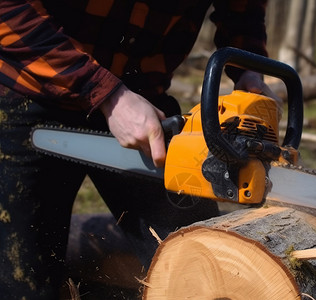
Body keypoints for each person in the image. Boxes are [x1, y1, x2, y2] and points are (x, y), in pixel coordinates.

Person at [0, 0, 274, 298]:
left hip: (148, 104)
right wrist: (106, 92)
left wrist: (250, 71)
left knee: (205, 257)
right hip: (32, 90)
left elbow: (243, 9)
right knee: (22, 277)